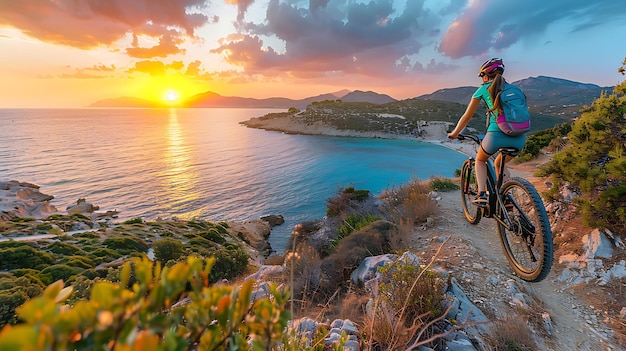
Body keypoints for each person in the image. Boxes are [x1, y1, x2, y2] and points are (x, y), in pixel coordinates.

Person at [447, 58, 526, 206]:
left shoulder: (483, 89)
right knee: (500, 164)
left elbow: (467, 116)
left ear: (485, 75)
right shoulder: (515, 89)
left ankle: (482, 194)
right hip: (519, 138)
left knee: (480, 160)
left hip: (496, 135)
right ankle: (506, 197)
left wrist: (454, 133)